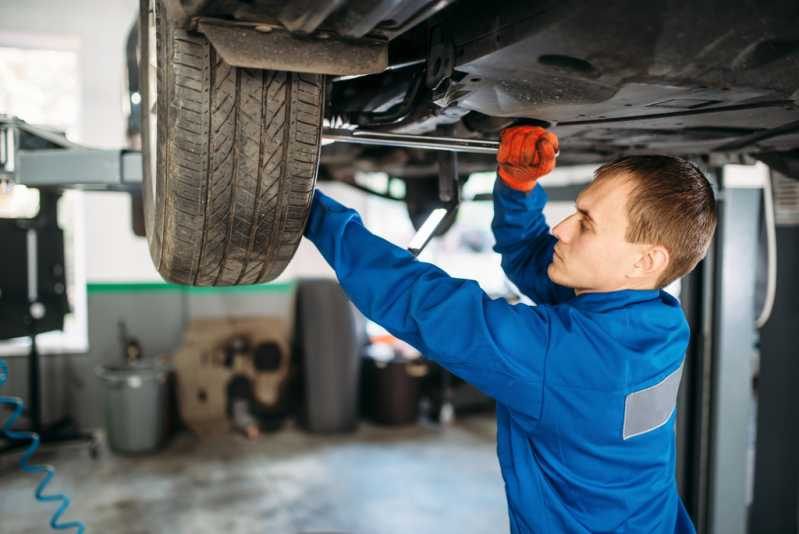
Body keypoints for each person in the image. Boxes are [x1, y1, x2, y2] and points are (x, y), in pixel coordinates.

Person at [302, 125, 717, 533]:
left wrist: (311, 210)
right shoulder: (660, 320)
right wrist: (519, 189)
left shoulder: (565, 359)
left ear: (645, 262)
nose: (562, 228)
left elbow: (420, 304)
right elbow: (533, 261)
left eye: (586, 224)